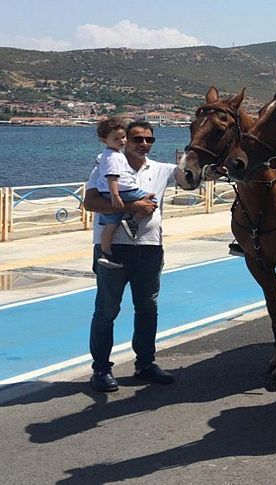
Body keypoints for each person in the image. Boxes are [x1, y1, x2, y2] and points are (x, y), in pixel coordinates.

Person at [84, 120, 187, 392]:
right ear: (124, 140)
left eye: (149, 140)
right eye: (138, 139)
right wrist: (134, 205)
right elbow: (90, 202)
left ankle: (145, 364)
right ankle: (101, 370)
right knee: (107, 311)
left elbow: (190, 177)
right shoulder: (107, 165)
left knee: (147, 309)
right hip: (114, 249)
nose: (143, 144)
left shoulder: (162, 169)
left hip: (150, 248)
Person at [93, 116, 151, 269]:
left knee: (110, 225)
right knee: (150, 200)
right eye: (116, 138)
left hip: (107, 192)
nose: (122, 141)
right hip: (124, 190)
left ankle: (105, 253)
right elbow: (112, 177)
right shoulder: (114, 157)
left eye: (123, 137)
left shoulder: (104, 156)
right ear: (104, 140)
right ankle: (132, 221)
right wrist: (116, 196)